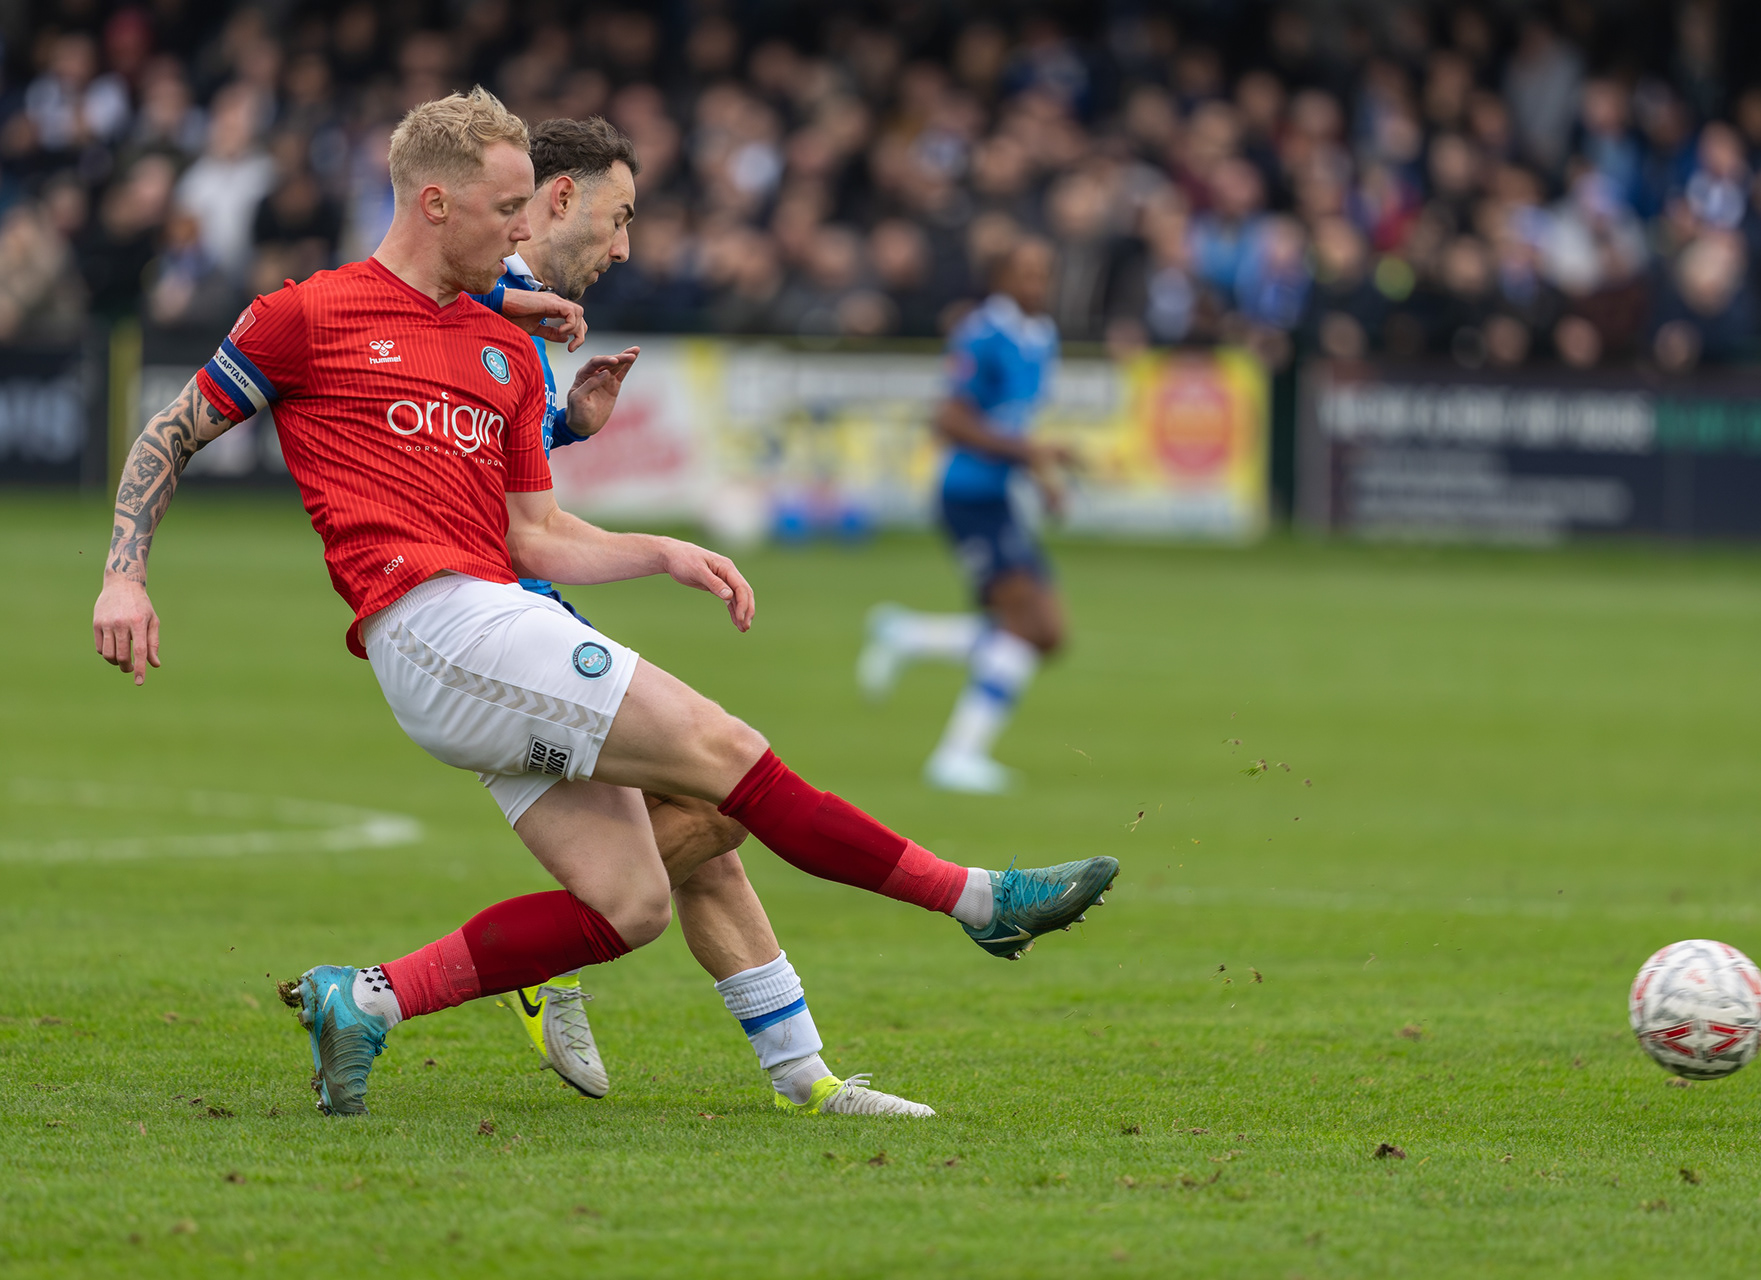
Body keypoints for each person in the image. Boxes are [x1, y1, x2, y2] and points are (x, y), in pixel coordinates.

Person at [91, 89, 1119, 1118]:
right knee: (730, 753)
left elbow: (537, 537)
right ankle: (979, 899)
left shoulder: (498, 350)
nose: (519, 232)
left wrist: (665, 550)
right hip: (436, 621)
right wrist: (124, 572)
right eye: (506, 209)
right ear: (436, 202)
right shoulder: (307, 314)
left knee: (630, 904)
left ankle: (365, 999)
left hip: (490, 624)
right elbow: (167, 434)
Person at [472, 115, 936, 1115]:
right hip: (493, 631)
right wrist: (525, 298)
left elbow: (493, 472)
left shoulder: (521, 319)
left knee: (712, 819)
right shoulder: (486, 287)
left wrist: (565, 424)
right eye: (620, 216)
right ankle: (538, 954)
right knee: (728, 790)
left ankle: (804, 1078)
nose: (626, 245)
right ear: (562, 198)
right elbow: (449, 300)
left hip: (520, 613)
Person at [857, 238, 1071, 794]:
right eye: (1026, 272)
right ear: (1002, 278)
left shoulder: (1042, 336)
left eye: (1043, 272)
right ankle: (957, 755)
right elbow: (949, 419)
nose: (1037, 283)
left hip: (1002, 497)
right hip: (969, 496)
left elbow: (1017, 422)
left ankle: (909, 636)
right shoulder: (982, 333)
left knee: (1046, 633)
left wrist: (1043, 478)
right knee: (1030, 628)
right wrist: (1029, 457)